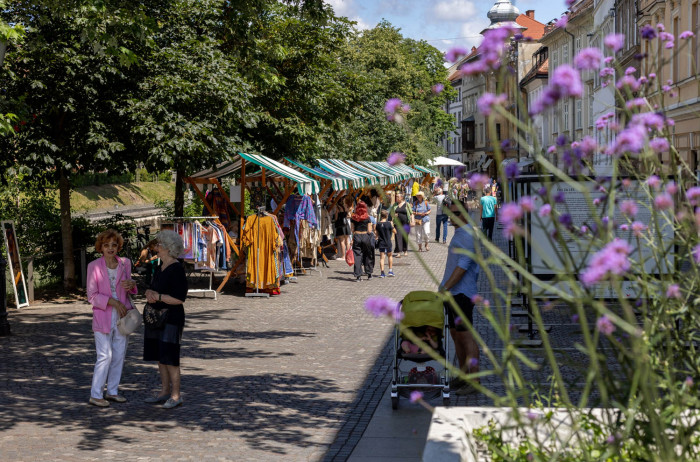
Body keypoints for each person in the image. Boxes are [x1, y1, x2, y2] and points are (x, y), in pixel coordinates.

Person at [86, 229, 137, 407]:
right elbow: (91, 296)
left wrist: (132, 285)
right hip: (103, 315)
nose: (110, 248)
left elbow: (130, 288)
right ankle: (96, 394)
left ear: (118, 247)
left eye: (114, 245)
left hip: (123, 316)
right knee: (104, 355)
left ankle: (112, 391)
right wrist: (113, 303)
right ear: (100, 247)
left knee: (119, 355)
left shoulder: (125, 263)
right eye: (106, 245)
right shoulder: (93, 266)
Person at [143, 230, 188, 409]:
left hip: (171, 318)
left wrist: (158, 296)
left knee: (170, 357)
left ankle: (176, 395)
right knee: (161, 357)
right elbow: (153, 289)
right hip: (157, 318)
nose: (156, 247)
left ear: (169, 249)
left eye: (160, 245)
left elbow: (179, 298)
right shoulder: (160, 266)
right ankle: (164, 392)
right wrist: (148, 293)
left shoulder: (176, 269)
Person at [441, 198, 481, 395]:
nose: (452, 216)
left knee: (466, 337)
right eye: (451, 213)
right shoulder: (461, 232)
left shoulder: (466, 235)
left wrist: (445, 286)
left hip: (462, 293)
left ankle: (474, 380)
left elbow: (463, 266)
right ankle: (463, 375)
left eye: (457, 213)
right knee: (456, 335)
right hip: (455, 293)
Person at [350, 200, 375, 281]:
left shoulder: (353, 217)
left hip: (357, 236)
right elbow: (369, 231)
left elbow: (352, 230)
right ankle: (369, 274)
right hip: (365, 236)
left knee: (357, 256)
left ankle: (358, 276)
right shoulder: (367, 218)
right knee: (367, 255)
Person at [390, 193, 413, 258]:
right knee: (398, 237)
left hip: (406, 223)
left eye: (398, 197)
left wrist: (412, 221)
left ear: (402, 197)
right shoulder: (395, 205)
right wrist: (394, 215)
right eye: (396, 197)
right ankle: (399, 252)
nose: (396, 198)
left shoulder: (407, 204)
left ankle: (405, 250)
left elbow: (411, 213)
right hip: (397, 224)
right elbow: (391, 213)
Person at [375, 210, 396, 278]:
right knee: (390, 256)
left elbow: (376, 233)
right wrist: (392, 225)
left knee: (382, 258)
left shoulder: (378, 224)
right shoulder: (389, 224)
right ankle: (390, 271)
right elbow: (395, 231)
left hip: (381, 242)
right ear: (386, 216)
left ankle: (382, 272)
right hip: (388, 242)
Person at [334, 196, 351, 260]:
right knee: (347, 240)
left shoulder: (338, 207)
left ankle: (343, 256)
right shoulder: (346, 206)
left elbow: (336, 217)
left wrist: (335, 220)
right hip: (346, 223)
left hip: (340, 223)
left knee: (342, 241)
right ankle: (348, 256)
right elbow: (349, 215)